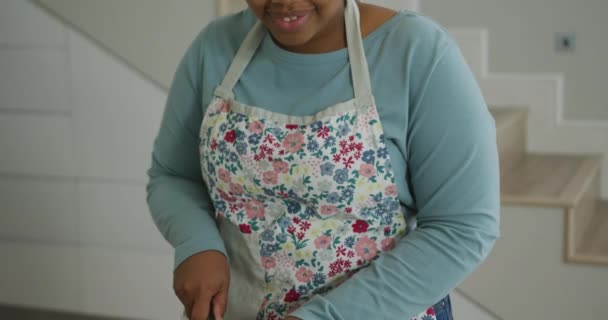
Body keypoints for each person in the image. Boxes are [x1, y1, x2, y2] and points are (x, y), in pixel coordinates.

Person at [146, 0, 500, 319]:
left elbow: (462, 228)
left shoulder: (416, 51)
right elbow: (175, 175)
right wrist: (197, 244)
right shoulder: (215, 46)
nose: (284, 1)